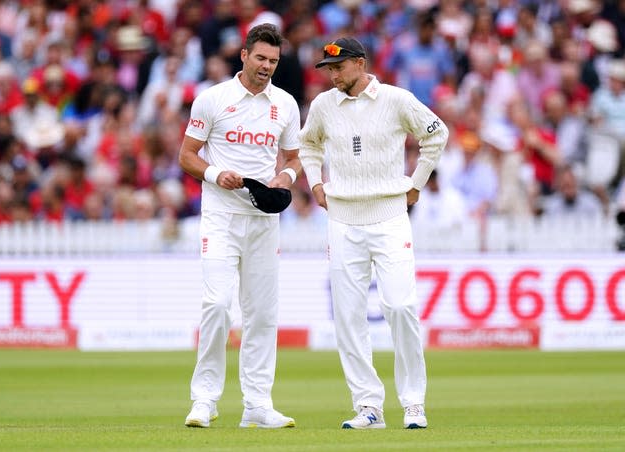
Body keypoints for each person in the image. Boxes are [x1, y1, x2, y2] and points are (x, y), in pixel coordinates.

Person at [299, 37, 448, 429]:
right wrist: (315, 183)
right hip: (342, 220)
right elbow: (308, 145)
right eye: (328, 70)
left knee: (400, 307)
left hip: (389, 216)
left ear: (361, 64)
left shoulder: (397, 99)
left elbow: (437, 132)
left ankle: (413, 403)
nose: (333, 76)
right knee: (348, 318)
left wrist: (417, 181)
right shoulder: (323, 106)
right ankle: (369, 406)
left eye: (339, 68)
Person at [178, 23, 301, 429]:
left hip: (264, 220)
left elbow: (294, 159)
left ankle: (257, 405)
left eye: (274, 61)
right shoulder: (212, 99)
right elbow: (187, 155)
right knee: (216, 304)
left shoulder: (284, 104)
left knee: (262, 313)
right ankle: (205, 400)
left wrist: (286, 179)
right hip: (221, 215)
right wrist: (215, 174)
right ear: (244, 55)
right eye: (261, 58)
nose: (267, 66)